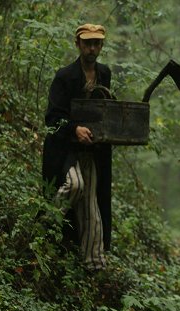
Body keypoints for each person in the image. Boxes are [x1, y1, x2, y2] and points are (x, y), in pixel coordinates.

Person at [42, 23, 112, 271]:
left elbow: (105, 109)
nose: (92, 48)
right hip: (64, 150)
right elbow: (52, 117)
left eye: (96, 43)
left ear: (101, 45)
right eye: (87, 43)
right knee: (75, 185)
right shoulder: (64, 76)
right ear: (78, 44)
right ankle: (45, 227)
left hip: (93, 151)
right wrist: (74, 129)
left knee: (92, 204)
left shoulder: (104, 74)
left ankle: (93, 262)